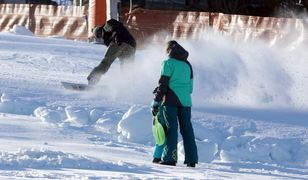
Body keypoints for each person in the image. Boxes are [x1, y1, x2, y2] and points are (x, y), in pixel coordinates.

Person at [151, 40, 198, 167]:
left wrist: (157, 100)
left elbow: (163, 84)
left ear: (169, 50)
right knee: (187, 129)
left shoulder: (168, 63)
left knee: (171, 129)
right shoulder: (188, 65)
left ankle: (169, 159)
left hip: (170, 101)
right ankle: (191, 159)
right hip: (186, 102)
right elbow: (190, 88)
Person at [87, 18, 136, 86]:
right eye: (98, 37)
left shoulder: (106, 26)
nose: (100, 37)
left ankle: (93, 78)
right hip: (131, 45)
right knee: (126, 66)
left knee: (106, 61)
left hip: (119, 42)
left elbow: (116, 27)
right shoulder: (107, 36)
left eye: (98, 35)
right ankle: (128, 85)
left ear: (99, 31)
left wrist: (117, 37)